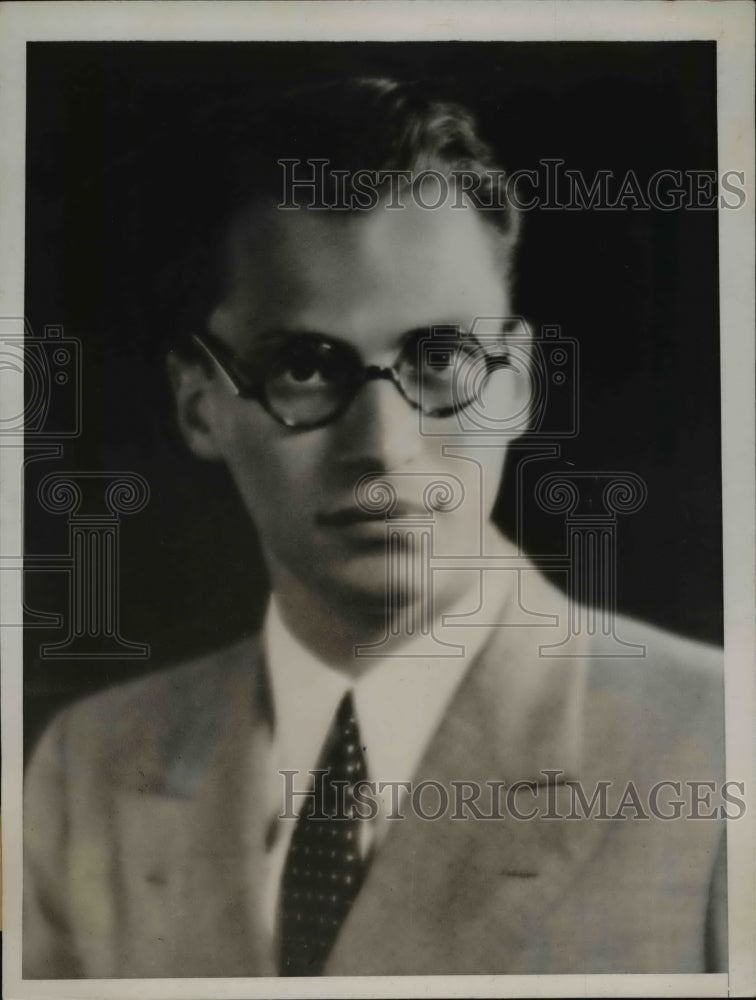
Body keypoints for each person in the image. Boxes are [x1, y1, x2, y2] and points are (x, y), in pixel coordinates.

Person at [23, 77, 727, 979]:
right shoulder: (91, 771)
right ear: (199, 405)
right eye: (306, 367)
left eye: (440, 358)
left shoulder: (715, 753)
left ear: (517, 383)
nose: (386, 450)